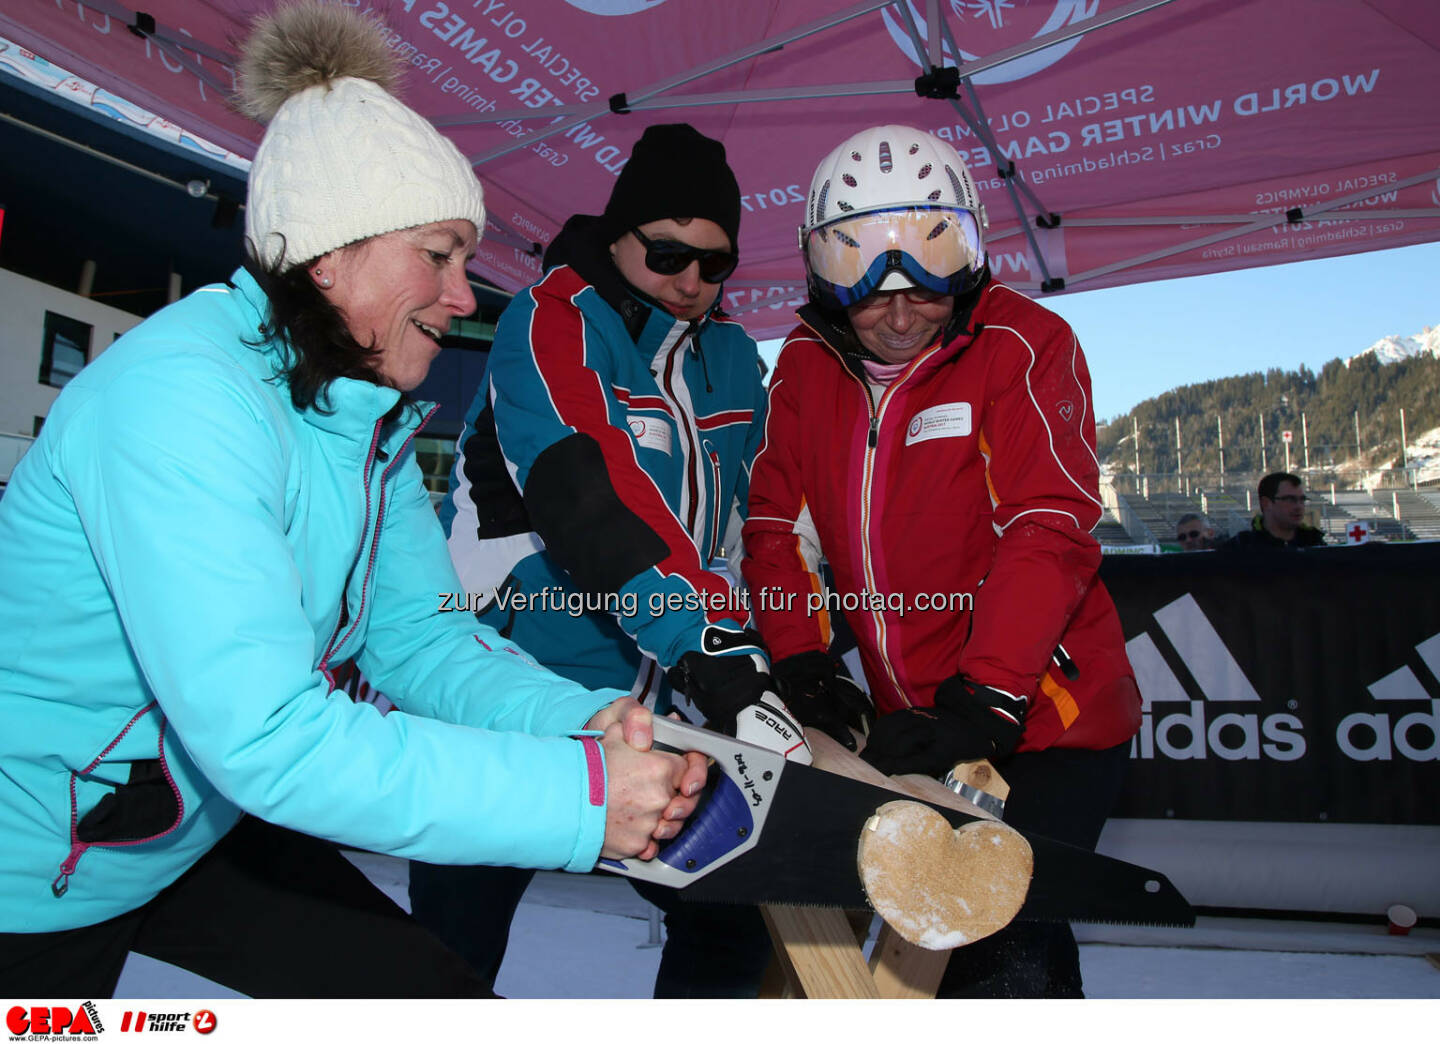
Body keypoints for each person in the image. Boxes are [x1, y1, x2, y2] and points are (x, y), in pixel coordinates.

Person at [0, 2, 707, 999]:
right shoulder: (181, 403)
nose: (466, 295)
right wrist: (579, 802)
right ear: (328, 254)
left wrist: (579, 726)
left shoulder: (355, 417)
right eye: (441, 254)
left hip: (189, 822)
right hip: (34, 868)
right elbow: (267, 735)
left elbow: (422, 641)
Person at [741, 125, 1142, 998]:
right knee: (863, 932)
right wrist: (805, 663)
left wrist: (989, 696)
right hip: (918, 712)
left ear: (966, 255)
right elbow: (779, 529)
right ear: (821, 272)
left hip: (1049, 715)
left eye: (926, 276)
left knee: (1000, 937)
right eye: (863, 285)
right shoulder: (807, 367)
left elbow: (1048, 525)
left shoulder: (1022, 345)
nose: (896, 310)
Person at [408, 123, 777, 997]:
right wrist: (715, 647)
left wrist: (770, 653)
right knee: (448, 951)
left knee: (729, 928)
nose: (691, 281)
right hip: (520, 694)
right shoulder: (552, 319)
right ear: (619, 232)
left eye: (715, 264)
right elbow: (592, 501)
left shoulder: (731, 355)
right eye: (668, 253)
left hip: (681, 702)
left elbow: (753, 526)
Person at [1223, 472, 1326, 550]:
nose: (1298, 506)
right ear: (1266, 503)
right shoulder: (1240, 549)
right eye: (1290, 500)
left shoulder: (1316, 545)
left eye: (1302, 500)